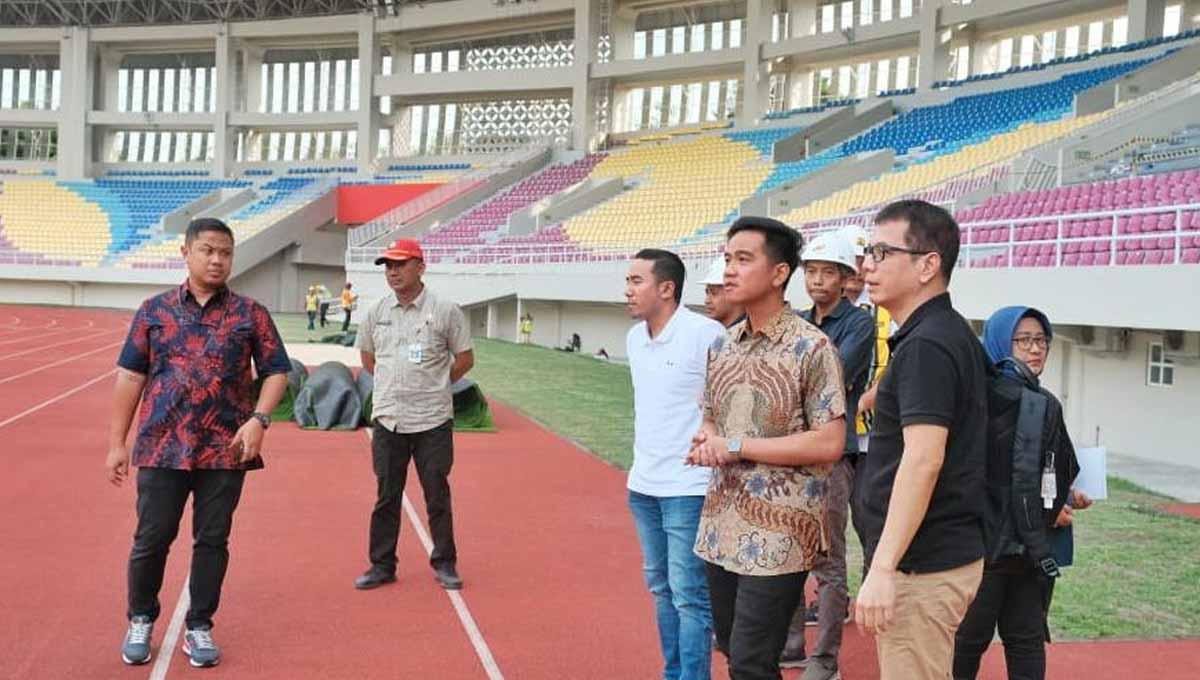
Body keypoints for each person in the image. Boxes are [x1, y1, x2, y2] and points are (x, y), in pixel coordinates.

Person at [107, 217, 291, 668]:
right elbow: (131, 376)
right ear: (185, 252)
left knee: (213, 541)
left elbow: (277, 372)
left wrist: (259, 420)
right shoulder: (153, 311)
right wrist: (117, 442)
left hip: (225, 450)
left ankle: (200, 626)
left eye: (225, 252)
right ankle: (141, 618)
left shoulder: (251, 314)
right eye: (207, 250)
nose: (217, 259)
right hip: (162, 447)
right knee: (151, 539)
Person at [688, 216, 847, 680]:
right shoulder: (724, 346)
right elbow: (713, 418)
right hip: (720, 525)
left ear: (779, 273)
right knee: (739, 659)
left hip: (779, 533)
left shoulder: (811, 348)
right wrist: (706, 439)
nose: (729, 271)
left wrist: (735, 445)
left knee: (754, 663)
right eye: (726, 259)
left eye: (743, 259)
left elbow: (830, 441)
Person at [851, 200, 989, 680]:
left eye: (882, 252)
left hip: (922, 567)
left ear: (928, 264)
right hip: (931, 557)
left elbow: (924, 460)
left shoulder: (929, 344)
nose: (868, 265)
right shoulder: (939, 335)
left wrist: (885, 568)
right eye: (869, 251)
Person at [952, 306, 1090, 680]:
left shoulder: (977, 393)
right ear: (999, 342)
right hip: (1013, 545)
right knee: (1016, 641)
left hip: (989, 545)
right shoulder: (1035, 402)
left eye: (1041, 340)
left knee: (971, 642)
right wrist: (1054, 506)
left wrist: (1063, 498)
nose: (1035, 349)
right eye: (1024, 340)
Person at [625, 249, 726, 680]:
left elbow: (726, 406)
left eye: (636, 281)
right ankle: (673, 673)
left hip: (688, 486)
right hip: (643, 485)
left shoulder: (707, 334)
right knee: (660, 589)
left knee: (689, 595)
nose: (627, 290)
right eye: (627, 281)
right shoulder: (633, 338)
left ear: (666, 288)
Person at [780, 232, 876, 679]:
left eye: (828, 272)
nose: (817, 280)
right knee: (793, 553)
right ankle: (794, 641)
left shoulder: (859, 323)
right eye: (811, 271)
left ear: (845, 278)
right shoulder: (795, 319)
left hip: (833, 455)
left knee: (829, 559)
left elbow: (832, 376)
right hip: (793, 453)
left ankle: (826, 658)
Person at [354, 238, 474, 592]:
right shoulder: (376, 311)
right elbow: (368, 360)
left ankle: (445, 562)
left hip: (433, 420)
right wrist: (396, 384)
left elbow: (465, 359)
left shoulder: (446, 311)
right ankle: (381, 565)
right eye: (387, 266)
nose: (392, 272)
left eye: (400, 264)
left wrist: (436, 383)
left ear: (420, 266)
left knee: (436, 493)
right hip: (389, 418)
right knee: (386, 495)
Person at [699, 256, 745, 328]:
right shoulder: (716, 333)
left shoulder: (748, 335)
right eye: (707, 293)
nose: (707, 301)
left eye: (714, 293)